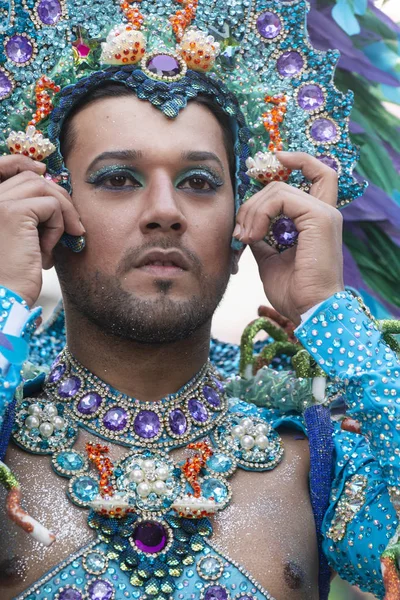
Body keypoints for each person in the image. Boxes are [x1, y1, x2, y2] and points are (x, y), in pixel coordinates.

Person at [0, 2, 398, 600]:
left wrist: (326, 310)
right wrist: (5, 298)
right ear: (45, 219)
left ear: (245, 224)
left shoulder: (312, 465)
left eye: (200, 183)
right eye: (117, 179)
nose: (165, 211)